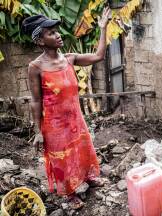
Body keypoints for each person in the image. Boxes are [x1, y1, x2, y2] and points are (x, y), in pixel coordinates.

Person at [21, 7, 110, 209]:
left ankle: (88, 178)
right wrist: (38, 131)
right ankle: (69, 193)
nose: (58, 35)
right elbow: (36, 100)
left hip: (75, 119)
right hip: (55, 126)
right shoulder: (35, 67)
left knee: (82, 149)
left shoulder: (70, 58)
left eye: (56, 31)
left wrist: (103, 28)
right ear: (40, 41)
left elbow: (99, 56)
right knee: (62, 160)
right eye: (51, 33)